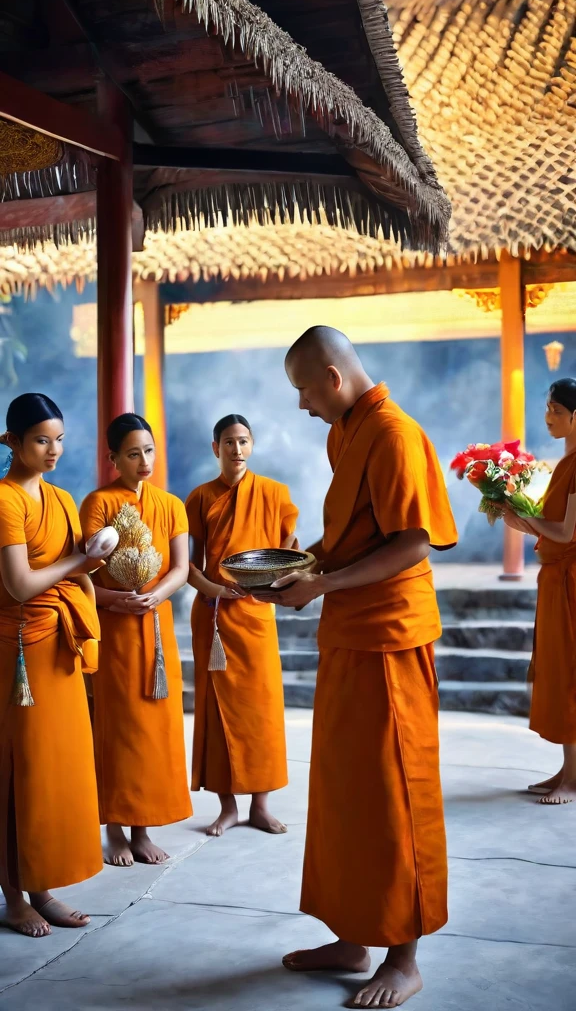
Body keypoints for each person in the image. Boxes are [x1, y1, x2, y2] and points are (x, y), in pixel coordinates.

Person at [258, 327, 458, 1009]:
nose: (302, 406)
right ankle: (353, 936)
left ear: (334, 379)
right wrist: (302, 564)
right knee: (348, 794)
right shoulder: (347, 432)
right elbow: (352, 536)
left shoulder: (396, 434)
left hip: (391, 639)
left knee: (395, 792)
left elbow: (410, 544)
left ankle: (404, 957)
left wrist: (320, 586)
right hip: (351, 635)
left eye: (304, 390)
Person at [0, 393, 108, 938]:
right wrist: (79, 564)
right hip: (18, 649)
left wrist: (94, 581)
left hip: (59, 646)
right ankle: (15, 895)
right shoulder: (5, 500)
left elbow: (77, 572)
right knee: (20, 768)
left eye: (59, 439)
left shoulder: (63, 499)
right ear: (12, 442)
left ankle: (42, 886)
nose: (54, 450)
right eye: (41, 439)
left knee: (54, 771)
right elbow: (18, 585)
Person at [79, 413, 192, 867]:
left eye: (148, 450)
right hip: (117, 630)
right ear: (112, 459)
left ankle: (142, 828)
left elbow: (181, 567)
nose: (144, 460)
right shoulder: (98, 504)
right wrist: (117, 600)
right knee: (119, 727)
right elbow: (83, 576)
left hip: (156, 626)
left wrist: (153, 595)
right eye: (132, 453)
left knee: (153, 731)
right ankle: (114, 828)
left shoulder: (171, 504)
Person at [186, 414, 298, 837]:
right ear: (216, 448)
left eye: (244, 441)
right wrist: (212, 588)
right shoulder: (199, 498)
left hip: (255, 614)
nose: (237, 449)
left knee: (262, 709)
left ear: (252, 446)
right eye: (229, 442)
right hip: (214, 617)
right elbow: (188, 565)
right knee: (218, 711)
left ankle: (261, 806)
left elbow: (288, 549)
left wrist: (270, 581)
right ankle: (227, 806)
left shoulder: (273, 493)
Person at [503, 378, 576, 805]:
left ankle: (572, 781)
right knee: (558, 667)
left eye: (554, 410)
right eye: (547, 408)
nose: (547, 417)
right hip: (555, 579)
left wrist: (525, 522)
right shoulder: (566, 461)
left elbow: (567, 533)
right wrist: (519, 515)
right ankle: (569, 769)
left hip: (570, 581)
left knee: (569, 672)